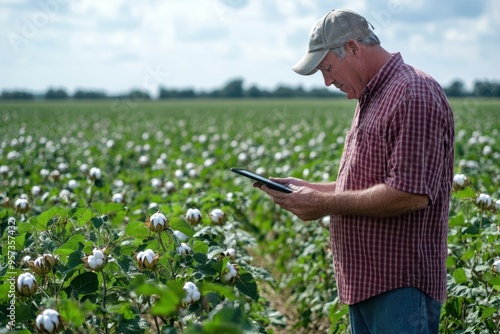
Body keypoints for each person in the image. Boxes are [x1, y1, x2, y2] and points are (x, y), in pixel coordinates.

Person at [254, 9, 455, 334]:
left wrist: (324, 206)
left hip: (399, 288)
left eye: (328, 68)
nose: (327, 81)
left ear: (353, 48)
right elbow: (368, 185)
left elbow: (410, 194)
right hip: (365, 284)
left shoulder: (413, 94)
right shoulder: (372, 97)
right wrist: (311, 190)